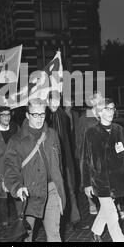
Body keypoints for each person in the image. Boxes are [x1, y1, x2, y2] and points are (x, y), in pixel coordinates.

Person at [4, 98, 66, 242]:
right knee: (27, 236)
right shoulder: (16, 140)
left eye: (42, 114)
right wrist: (16, 187)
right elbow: (10, 168)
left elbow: (59, 163)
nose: (39, 118)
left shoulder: (52, 135)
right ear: (27, 115)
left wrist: (60, 185)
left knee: (54, 233)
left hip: (51, 189)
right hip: (29, 193)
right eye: (35, 115)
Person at [81, 98, 124, 242]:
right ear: (99, 112)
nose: (111, 112)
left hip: (117, 179)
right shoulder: (91, 132)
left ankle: (96, 231)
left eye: (112, 108)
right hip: (100, 180)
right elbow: (85, 160)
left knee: (107, 208)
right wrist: (86, 184)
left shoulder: (119, 129)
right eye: (107, 108)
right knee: (112, 213)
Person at [47, 92, 89, 231]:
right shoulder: (44, 116)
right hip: (50, 163)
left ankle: (75, 220)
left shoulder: (63, 116)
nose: (55, 103)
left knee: (70, 190)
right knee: (52, 194)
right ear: (48, 101)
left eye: (57, 100)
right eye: (52, 100)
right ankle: (52, 224)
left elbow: (66, 139)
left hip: (64, 160)